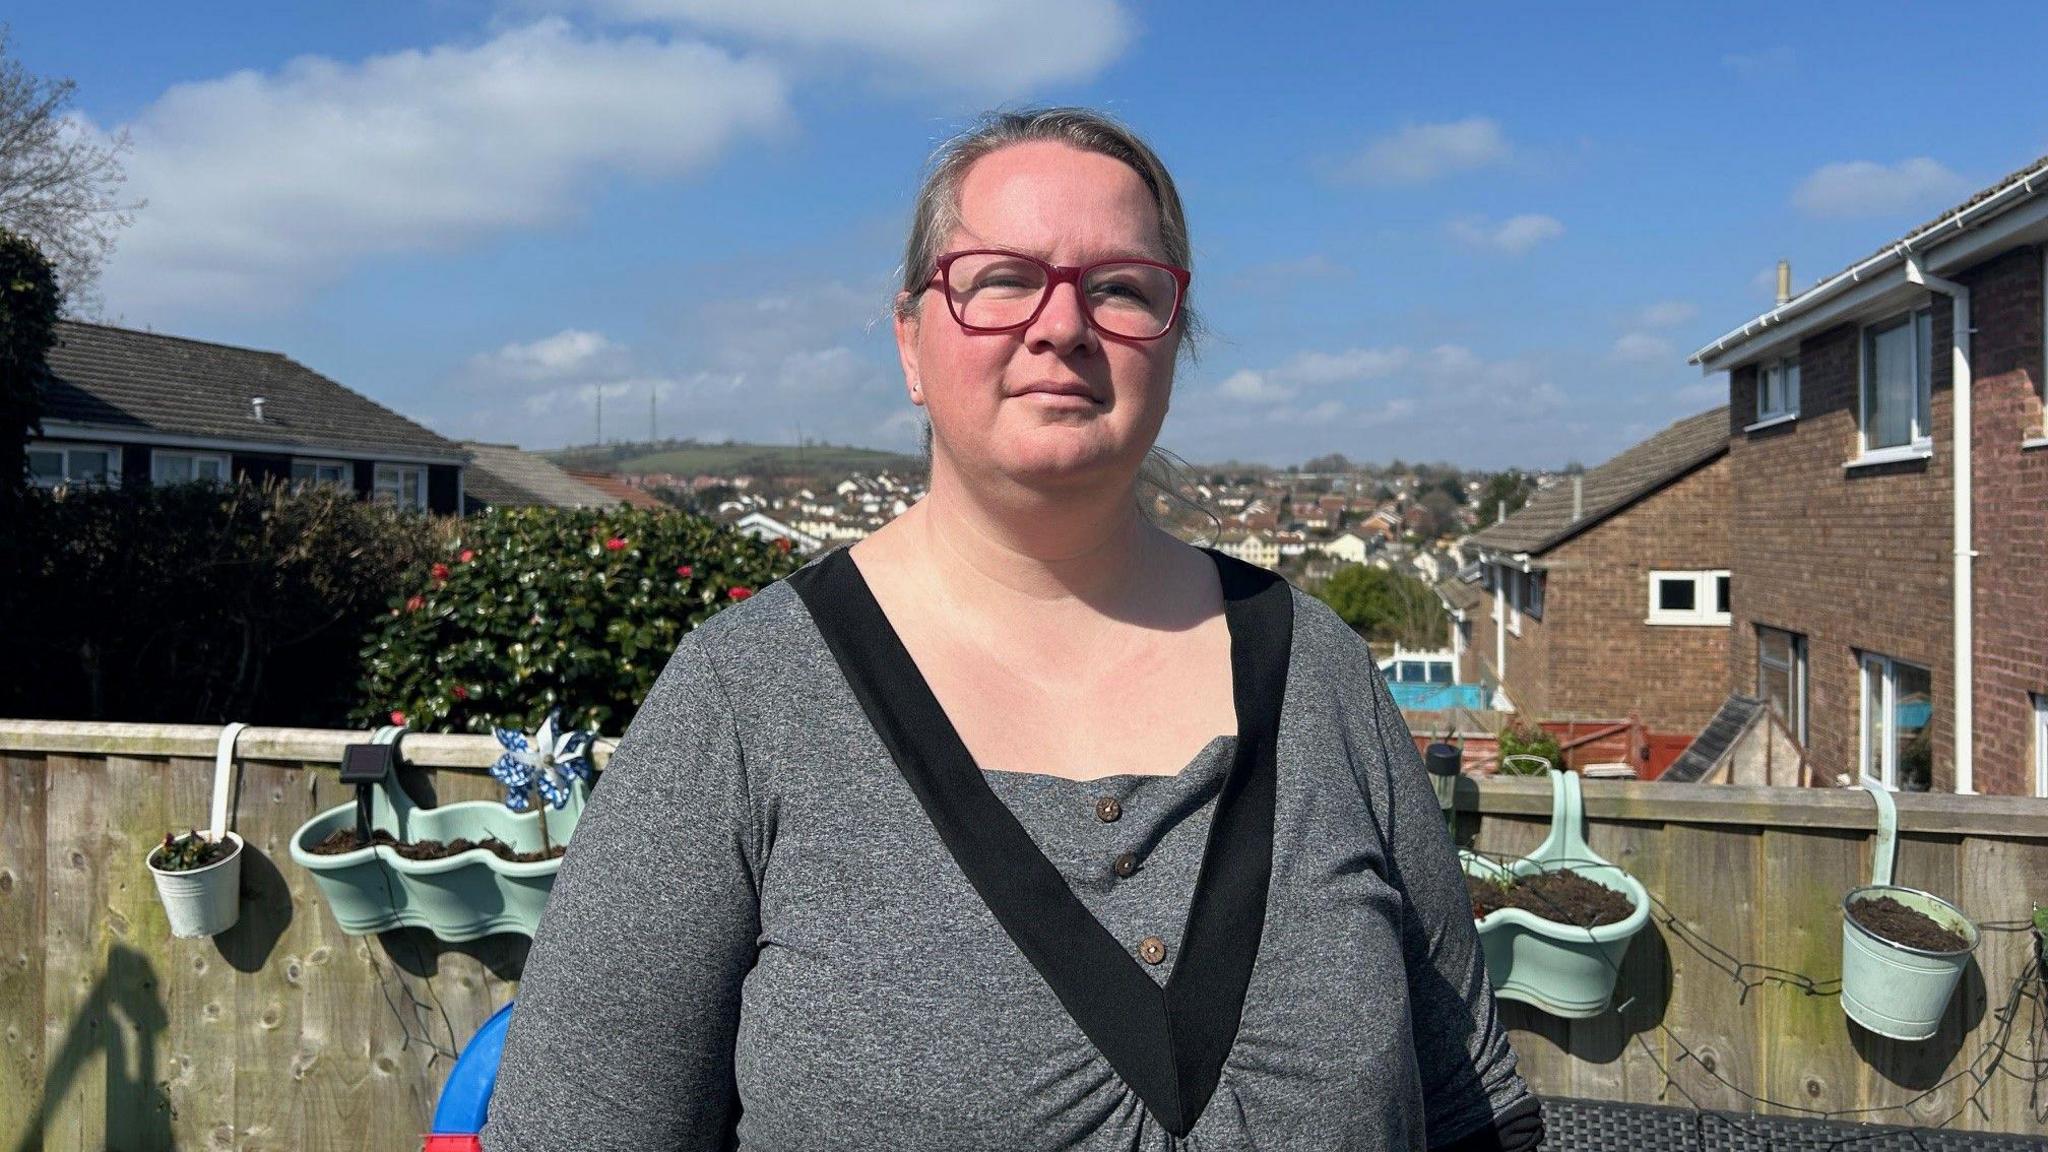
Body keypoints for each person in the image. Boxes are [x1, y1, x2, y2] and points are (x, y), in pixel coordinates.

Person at [482, 107, 1540, 1151]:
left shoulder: (1320, 676)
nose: (1062, 325)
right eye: (1001, 280)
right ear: (910, 340)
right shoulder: (746, 700)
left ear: (1173, 341)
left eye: (1120, 287)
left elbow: (1469, 1117)